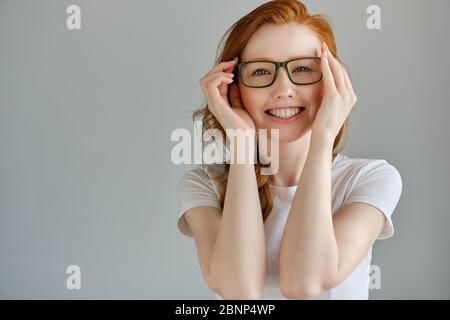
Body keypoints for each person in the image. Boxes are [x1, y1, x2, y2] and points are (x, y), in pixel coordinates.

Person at [176, 0, 402, 300]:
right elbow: (239, 290)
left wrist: (323, 138)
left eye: (303, 69)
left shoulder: (370, 179)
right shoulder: (206, 185)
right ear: (233, 88)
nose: (283, 89)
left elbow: (304, 284)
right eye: (260, 72)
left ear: (332, 82)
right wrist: (242, 145)